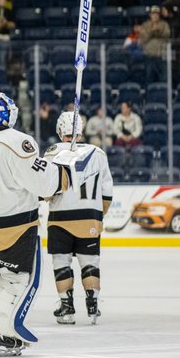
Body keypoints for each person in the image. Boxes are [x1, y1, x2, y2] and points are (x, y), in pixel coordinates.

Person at [0, 93, 91, 356]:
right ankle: (2, 333)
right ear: (11, 116)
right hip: (13, 227)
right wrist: (65, 168)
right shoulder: (18, 142)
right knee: (15, 281)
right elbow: (45, 184)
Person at [46, 111, 114, 326]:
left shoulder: (52, 153)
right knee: (90, 262)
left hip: (60, 217)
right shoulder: (98, 153)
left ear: (59, 131)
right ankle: (92, 306)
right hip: (89, 217)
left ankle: (67, 308)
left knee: (61, 262)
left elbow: (46, 189)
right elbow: (107, 191)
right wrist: (98, 215)